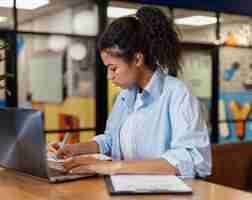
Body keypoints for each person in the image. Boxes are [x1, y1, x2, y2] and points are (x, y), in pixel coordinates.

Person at [49, 6, 211, 178]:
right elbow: (110, 140)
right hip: (124, 190)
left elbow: (193, 161)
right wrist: (74, 149)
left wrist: (114, 167)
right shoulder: (124, 97)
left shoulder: (177, 94)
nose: (109, 76)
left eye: (113, 68)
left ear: (137, 59)